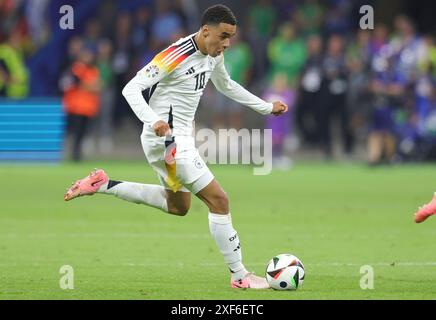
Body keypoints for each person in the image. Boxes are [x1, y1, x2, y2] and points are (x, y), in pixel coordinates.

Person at [64, 5, 288, 289]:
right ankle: (240, 276)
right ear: (206, 31)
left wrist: (267, 107)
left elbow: (227, 85)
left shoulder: (213, 54)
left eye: (230, 37)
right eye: (223, 36)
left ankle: (104, 184)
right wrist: (153, 119)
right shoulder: (175, 54)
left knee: (178, 206)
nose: (227, 43)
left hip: (173, 140)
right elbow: (130, 88)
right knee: (219, 200)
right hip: (168, 140)